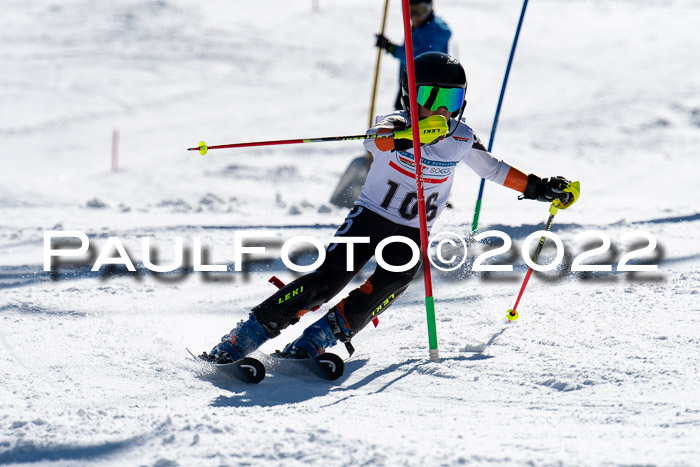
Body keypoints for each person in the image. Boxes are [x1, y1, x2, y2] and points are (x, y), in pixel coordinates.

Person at [201, 52, 577, 364]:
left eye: (452, 101)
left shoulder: (462, 138)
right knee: (328, 280)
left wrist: (540, 188)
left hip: (414, 232)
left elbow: (493, 169)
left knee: (394, 280)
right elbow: (374, 141)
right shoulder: (394, 125)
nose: (442, 111)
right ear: (411, 96)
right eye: (432, 98)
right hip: (370, 220)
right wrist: (401, 140)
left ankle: (320, 336)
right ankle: (245, 335)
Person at [375, 0, 452, 110]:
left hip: (427, 90)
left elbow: (420, 61)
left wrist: (392, 49)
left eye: (421, 11)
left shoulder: (434, 32)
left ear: (430, 9)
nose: (415, 16)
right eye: (411, 11)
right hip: (411, 85)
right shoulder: (418, 29)